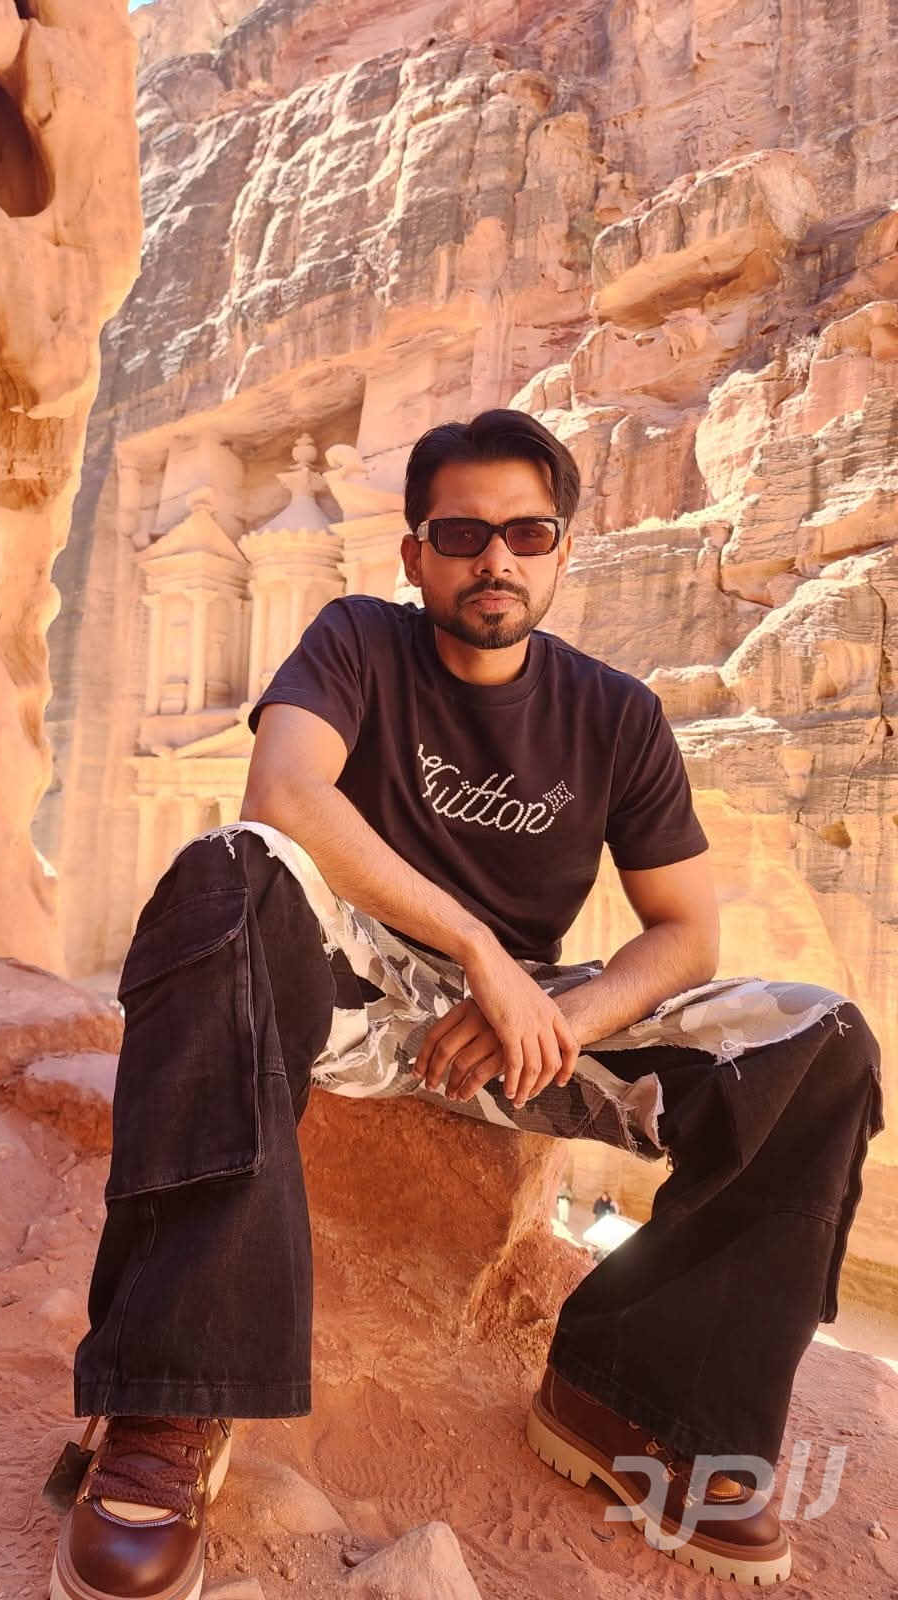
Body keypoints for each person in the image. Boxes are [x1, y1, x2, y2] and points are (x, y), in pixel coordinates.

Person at [51, 409, 884, 1600]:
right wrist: (480, 951)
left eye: (526, 533)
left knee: (822, 1041)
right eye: (462, 533)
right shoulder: (356, 639)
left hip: (522, 1038)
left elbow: (686, 933)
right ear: (416, 554)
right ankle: (170, 1397)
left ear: (561, 551)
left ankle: (632, 1396)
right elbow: (284, 792)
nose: (496, 557)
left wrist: (556, 1017)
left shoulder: (616, 714)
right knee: (226, 871)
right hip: (345, 989)